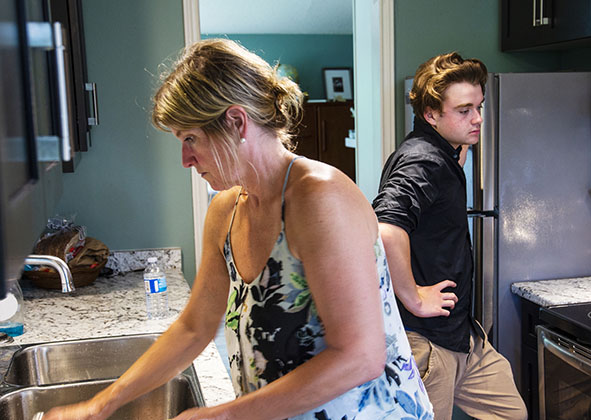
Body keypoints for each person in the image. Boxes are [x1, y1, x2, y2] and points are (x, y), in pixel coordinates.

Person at [44, 39, 433, 420]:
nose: (185, 159)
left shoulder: (319, 198)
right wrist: (102, 405)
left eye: (191, 138)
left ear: (236, 122)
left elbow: (359, 357)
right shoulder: (226, 210)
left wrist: (223, 416)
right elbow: (194, 327)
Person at [372, 52, 528, 420]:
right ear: (431, 114)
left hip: (462, 336)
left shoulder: (444, 154)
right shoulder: (423, 159)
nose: (477, 119)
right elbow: (385, 227)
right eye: (464, 110)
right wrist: (414, 297)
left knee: (511, 413)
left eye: (479, 106)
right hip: (427, 342)